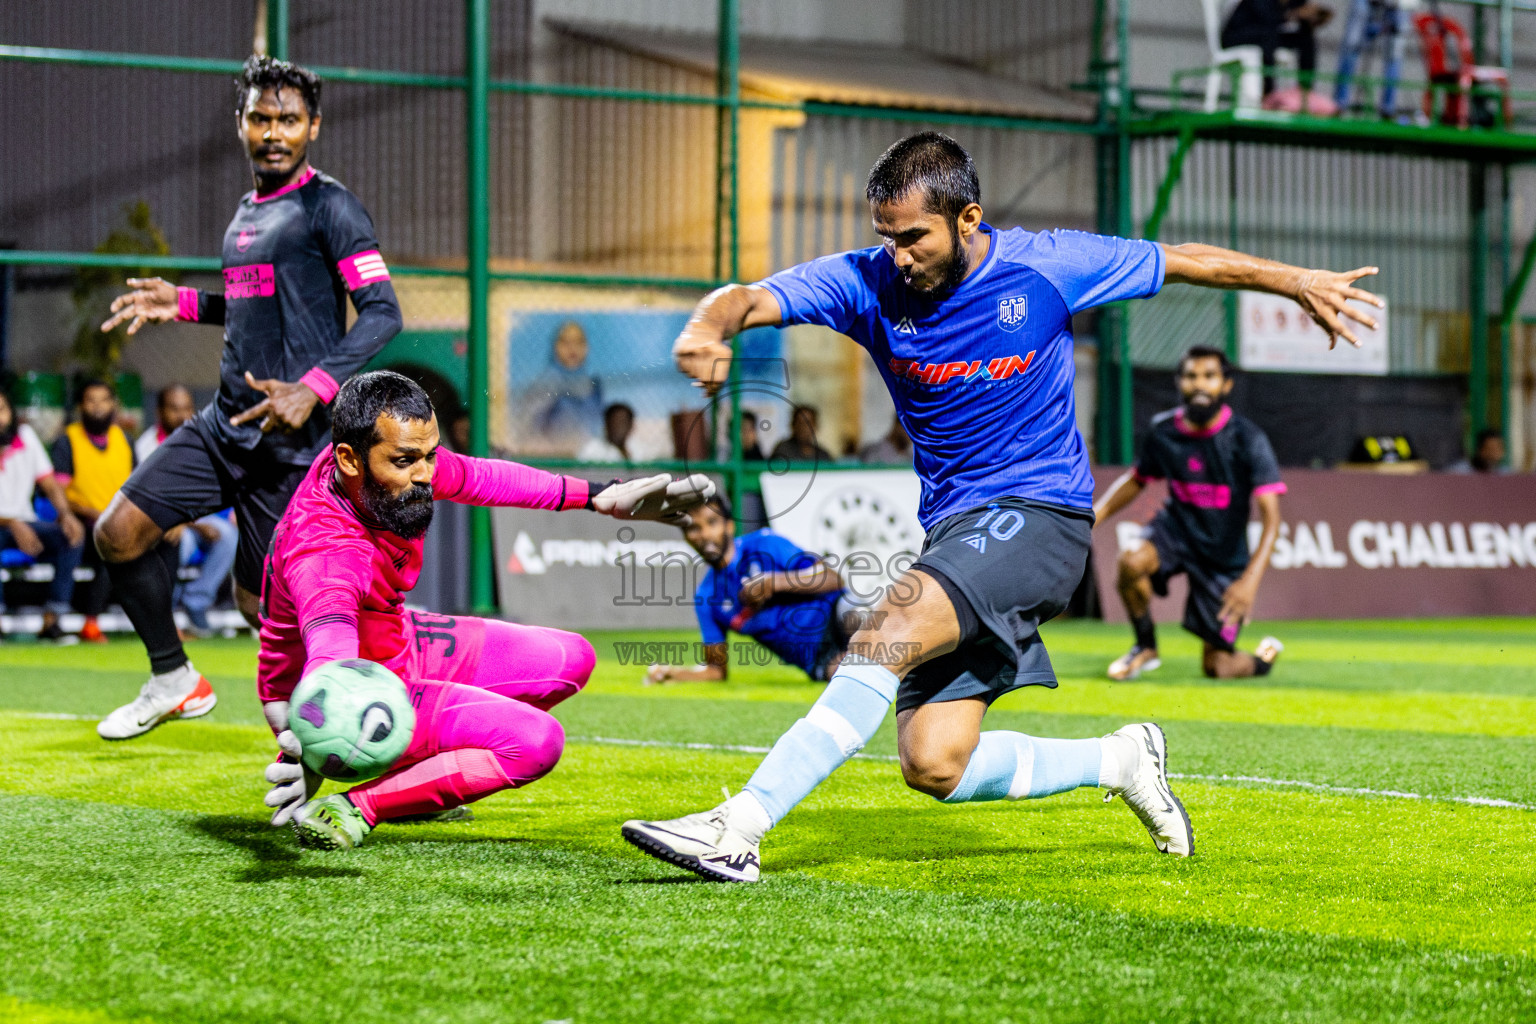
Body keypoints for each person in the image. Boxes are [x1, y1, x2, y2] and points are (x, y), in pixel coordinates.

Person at [623, 130, 1381, 882]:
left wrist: (1296, 281)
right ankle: (1119, 759)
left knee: (885, 629)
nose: (898, 254)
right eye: (885, 237)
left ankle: (739, 827)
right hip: (957, 530)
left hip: (1042, 515)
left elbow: (1182, 261)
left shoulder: (1048, 266)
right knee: (933, 760)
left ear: (968, 218)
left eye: (913, 236)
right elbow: (750, 297)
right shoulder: (866, 282)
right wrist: (706, 324)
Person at [257, 371, 713, 849]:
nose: (425, 474)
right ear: (348, 459)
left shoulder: (380, 465)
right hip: (348, 689)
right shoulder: (326, 551)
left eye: (430, 455)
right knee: (536, 742)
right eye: (406, 461)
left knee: (572, 658)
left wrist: (599, 496)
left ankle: (415, 777)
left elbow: (483, 476)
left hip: (397, 636)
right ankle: (358, 806)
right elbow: (332, 645)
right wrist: (316, 737)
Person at [91, 55, 402, 740]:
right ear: (241, 124)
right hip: (222, 425)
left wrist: (316, 387)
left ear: (312, 127)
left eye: (288, 119)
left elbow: (382, 312)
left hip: (290, 451)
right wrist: (185, 302)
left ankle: (370, 738)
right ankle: (173, 678)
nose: (273, 132)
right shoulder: (244, 216)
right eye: (260, 117)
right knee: (117, 533)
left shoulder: (331, 207)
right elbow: (250, 306)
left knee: (260, 608)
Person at [1092, 346, 1286, 682]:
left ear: (1226, 385)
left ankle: (1265, 658)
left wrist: (1248, 585)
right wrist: (1091, 516)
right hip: (1176, 532)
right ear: (1179, 382)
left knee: (1218, 668)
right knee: (1131, 561)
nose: (1200, 384)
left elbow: (1272, 521)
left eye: (1209, 376)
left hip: (1224, 555)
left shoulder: (1248, 439)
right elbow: (1137, 480)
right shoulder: (1163, 430)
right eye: (1191, 376)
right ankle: (1145, 646)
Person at [645, 494, 852, 686]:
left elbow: (834, 579)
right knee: (846, 675)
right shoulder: (707, 598)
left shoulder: (765, 544)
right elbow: (716, 671)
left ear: (729, 526)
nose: (705, 534)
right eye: (693, 528)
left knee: (857, 615)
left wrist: (774, 583)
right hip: (816, 657)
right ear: (686, 537)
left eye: (712, 522)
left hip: (836, 614)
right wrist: (674, 674)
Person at [135, 385, 238, 638]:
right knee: (178, 542)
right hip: (163, 522)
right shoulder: (146, 447)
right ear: (159, 411)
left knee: (229, 535)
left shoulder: (203, 439)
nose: (182, 415)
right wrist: (187, 523)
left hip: (197, 518)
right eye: (174, 409)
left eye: (187, 408)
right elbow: (149, 500)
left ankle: (196, 603)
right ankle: (164, 617)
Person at [51, 380, 136, 643]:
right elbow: (60, 491)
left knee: (166, 542)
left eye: (103, 400)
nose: (97, 406)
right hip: (81, 523)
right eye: (91, 400)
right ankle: (89, 622)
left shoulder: (125, 440)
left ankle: (167, 619)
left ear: (113, 405)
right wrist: (91, 512)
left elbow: (138, 486)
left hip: (118, 522)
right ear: (80, 406)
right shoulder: (67, 441)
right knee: (109, 547)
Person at [0, 389, 85, 641]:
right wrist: (12, 522)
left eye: (2, 410)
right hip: (7, 524)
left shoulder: (25, 437)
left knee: (71, 536)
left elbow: (49, 483)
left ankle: (53, 620)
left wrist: (66, 514)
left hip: (27, 523)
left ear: (10, 412)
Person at [1222, 0, 1333, 99]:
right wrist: (1294, 14)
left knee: (1305, 39)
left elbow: (1299, 22)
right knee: (1268, 37)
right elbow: (1268, 21)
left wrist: (1313, 17)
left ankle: (1305, 91)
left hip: (1267, 36)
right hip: (1236, 35)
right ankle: (1268, 93)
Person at [524, 321, 603, 449]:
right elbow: (531, 430)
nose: (572, 349)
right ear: (555, 347)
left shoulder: (594, 387)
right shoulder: (544, 384)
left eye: (578, 342)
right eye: (566, 342)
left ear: (586, 347)